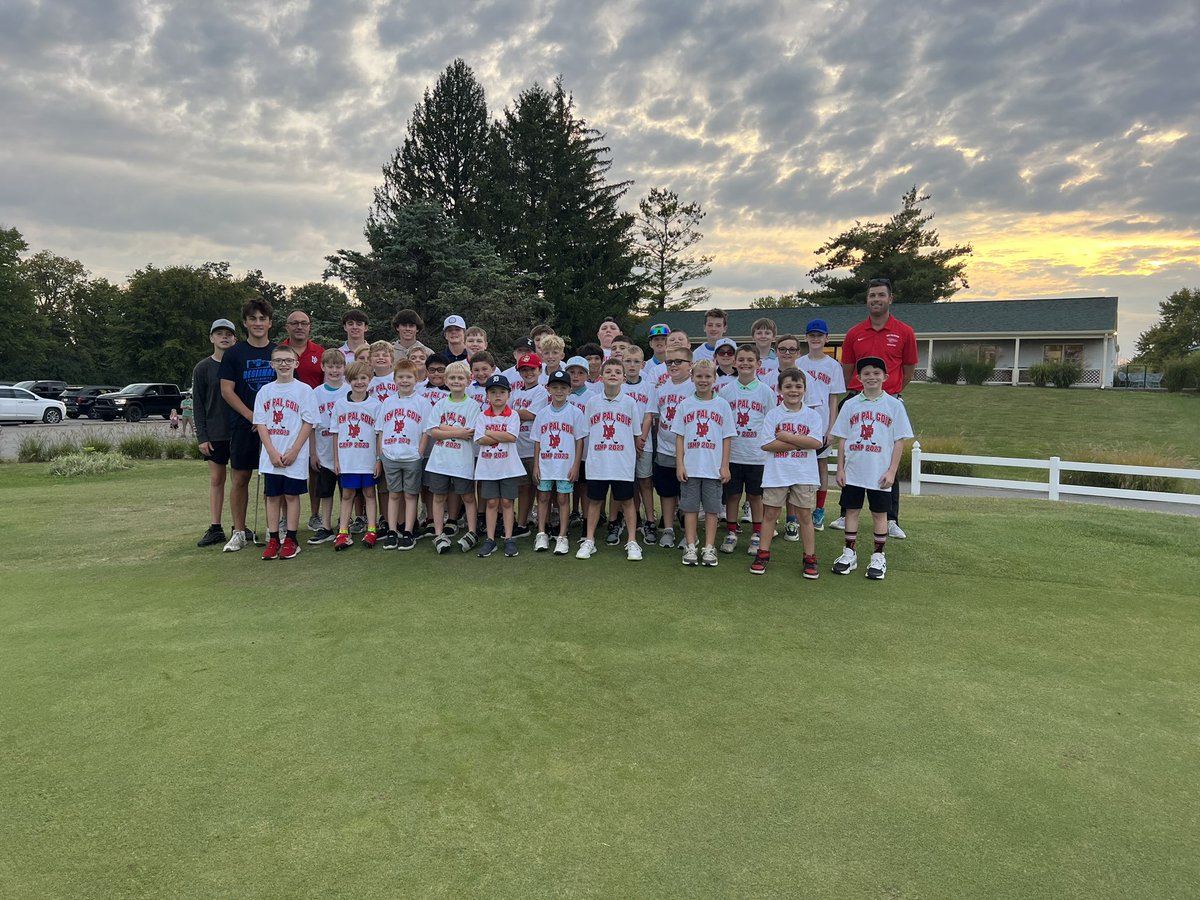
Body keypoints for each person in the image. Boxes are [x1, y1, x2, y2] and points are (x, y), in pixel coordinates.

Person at [832, 278, 918, 538]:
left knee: (887, 454)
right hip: (858, 398)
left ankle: (891, 518)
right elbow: (847, 369)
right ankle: (845, 511)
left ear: (890, 299)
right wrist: (857, 390)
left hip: (888, 399)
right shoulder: (854, 333)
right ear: (867, 300)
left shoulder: (904, 332)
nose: (876, 299)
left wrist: (892, 390)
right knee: (852, 450)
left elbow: (909, 369)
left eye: (881, 295)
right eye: (872, 296)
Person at [830, 356, 914, 580]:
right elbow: (843, 439)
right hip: (854, 470)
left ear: (885, 377)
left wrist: (892, 471)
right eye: (866, 373)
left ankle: (878, 556)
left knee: (879, 514)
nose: (871, 377)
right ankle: (849, 552)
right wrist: (840, 469)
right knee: (851, 511)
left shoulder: (894, 405)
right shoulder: (850, 404)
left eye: (876, 373)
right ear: (859, 377)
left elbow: (899, 441)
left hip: (879, 473)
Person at [751, 368, 824, 577]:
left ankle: (810, 557)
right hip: (777, 473)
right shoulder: (773, 415)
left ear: (805, 389)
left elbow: (816, 442)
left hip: (804, 474)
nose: (793, 391)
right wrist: (799, 443)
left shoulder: (812, 415)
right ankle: (763, 554)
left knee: (804, 516)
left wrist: (786, 437)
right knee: (771, 514)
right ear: (780, 390)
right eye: (788, 387)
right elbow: (767, 444)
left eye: (798, 386)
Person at [219, 297, 276, 552]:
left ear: (270, 322)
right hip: (244, 424)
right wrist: (252, 416)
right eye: (253, 318)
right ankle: (239, 531)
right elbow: (227, 391)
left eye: (262, 318)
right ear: (245, 322)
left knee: (274, 478)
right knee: (241, 478)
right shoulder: (234, 354)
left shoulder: (279, 353)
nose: (258, 323)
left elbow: (288, 390)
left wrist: (267, 420)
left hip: (275, 427)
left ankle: (275, 529)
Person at [252, 345, 318, 560]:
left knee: (291, 495)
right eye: (279, 360)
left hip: (294, 455)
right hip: (271, 455)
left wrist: (295, 450)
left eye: (288, 360)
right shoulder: (265, 391)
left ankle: (291, 539)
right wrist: (271, 452)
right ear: (272, 364)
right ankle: (273, 538)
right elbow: (260, 423)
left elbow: (309, 422)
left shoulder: (304, 390)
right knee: (272, 497)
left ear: (296, 364)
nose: (284, 364)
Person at [576, 358, 643, 561]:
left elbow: (635, 435)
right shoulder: (592, 403)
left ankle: (632, 541)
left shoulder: (631, 403)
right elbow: (584, 434)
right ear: (601, 377)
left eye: (617, 371)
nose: (613, 374)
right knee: (594, 501)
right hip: (598, 463)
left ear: (623, 377)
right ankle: (589, 540)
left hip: (622, 463)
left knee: (627, 502)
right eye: (609, 371)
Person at [672, 358, 734, 567]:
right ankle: (691, 545)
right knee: (689, 509)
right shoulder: (685, 404)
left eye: (708, 376)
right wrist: (680, 463)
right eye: (699, 376)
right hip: (691, 466)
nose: (703, 380)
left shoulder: (722, 405)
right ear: (692, 378)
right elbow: (679, 436)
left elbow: (727, 438)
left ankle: (709, 547)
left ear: (715, 378)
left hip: (713, 468)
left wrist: (725, 465)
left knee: (712, 510)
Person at [718, 344, 774, 557]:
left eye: (750, 360)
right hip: (733, 453)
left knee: (755, 496)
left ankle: (757, 534)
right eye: (741, 359)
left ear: (758, 364)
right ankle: (731, 532)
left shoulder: (766, 392)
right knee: (732, 495)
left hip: (756, 455)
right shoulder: (725, 391)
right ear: (734, 362)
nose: (745, 363)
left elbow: (771, 423)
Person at [424, 361, 480, 554]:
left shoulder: (473, 405)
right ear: (446, 381)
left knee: (468, 497)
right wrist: (455, 431)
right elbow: (433, 431)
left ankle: (472, 531)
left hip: (462, 461)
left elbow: (470, 432)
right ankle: (439, 534)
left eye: (460, 378)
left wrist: (444, 428)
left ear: (468, 380)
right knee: (439, 497)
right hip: (440, 461)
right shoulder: (440, 403)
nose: (456, 381)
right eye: (453, 378)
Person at [376, 358, 432, 551]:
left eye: (409, 377)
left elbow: (426, 430)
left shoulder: (423, 403)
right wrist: (381, 453)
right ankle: (392, 531)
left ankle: (408, 530)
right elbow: (380, 429)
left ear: (416, 379)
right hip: (391, 454)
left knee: (410, 495)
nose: (405, 380)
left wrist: (420, 452)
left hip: (412, 456)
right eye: (401, 377)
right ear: (394, 379)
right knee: (393, 494)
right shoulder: (387, 402)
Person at [794, 321, 845, 532]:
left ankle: (819, 510)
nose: (815, 339)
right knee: (798, 467)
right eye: (812, 335)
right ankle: (796, 512)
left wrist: (831, 428)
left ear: (826, 338)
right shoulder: (798, 363)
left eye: (819, 335)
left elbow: (833, 399)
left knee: (821, 466)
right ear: (806, 338)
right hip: (799, 423)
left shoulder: (833, 365)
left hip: (822, 423)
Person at [193, 318, 236, 547]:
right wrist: (202, 437)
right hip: (215, 432)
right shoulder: (203, 368)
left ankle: (239, 526)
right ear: (212, 338)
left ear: (235, 338)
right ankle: (216, 526)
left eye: (228, 334)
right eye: (219, 333)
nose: (224, 337)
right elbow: (197, 405)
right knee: (217, 479)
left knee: (240, 480)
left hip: (238, 431)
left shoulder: (238, 364)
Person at [330, 361, 382, 550]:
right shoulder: (340, 404)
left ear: (369, 380)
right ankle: (343, 532)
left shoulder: (376, 405)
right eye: (355, 379)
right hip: (347, 458)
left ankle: (371, 529)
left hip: (367, 458)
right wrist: (336, 460)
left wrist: (378, 460)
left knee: (369, 493)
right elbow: (335, 434)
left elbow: (379, 435)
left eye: (363, 378)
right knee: (347, 494)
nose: (359, 382)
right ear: (348, 380)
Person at [532, 370, 585, 555]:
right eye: (555, 387)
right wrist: (536, 466)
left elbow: (580, 441)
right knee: (543, 497)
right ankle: (541, 533)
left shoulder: (575, 413)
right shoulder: (542, 414)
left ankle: (562, 536)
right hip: (546, 464)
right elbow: (537, 441)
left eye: (563, 387)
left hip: (565, 465)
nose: (559, 391)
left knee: (562, 498)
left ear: (569, 390)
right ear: (548, 389)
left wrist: (576, 465)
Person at [473, 374, 525, 558]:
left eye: (502, 392)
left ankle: (509, 538)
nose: (497, 396)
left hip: (508, 466)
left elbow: (512, 437)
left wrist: (489, 432)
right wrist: (495, 434)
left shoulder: (513, 415)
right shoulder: (482, 415)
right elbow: (480, 440)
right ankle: (490, 539)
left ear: (508, 395)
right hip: (488, 467)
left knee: (506, 502)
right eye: (493, 392)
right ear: (487, 395)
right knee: (492, 502)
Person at [647, 344, 692, 548]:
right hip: (665, 448)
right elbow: (655, 417)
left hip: (690, 451)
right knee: (666, 491)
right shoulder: (661, 388)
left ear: (689, 365)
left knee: (687, 492)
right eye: (669, 362)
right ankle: (668, 528)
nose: (673, 365)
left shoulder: (695, 386)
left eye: (678, 362)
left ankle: (688, 531)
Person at [307, 349, 346, 545]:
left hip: (347, 451)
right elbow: (312, 427)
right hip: (324, 452)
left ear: (344, 368)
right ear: (322, 367)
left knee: (347, 491)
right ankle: (325, 525)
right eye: (330, 366)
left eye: (338, 366)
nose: (334, 370)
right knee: (325, 492)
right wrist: (313, 452)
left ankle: (346, 523)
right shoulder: (316, 393)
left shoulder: (349, 391)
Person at [510, 352, 549, 537]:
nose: (528, 373)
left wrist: (511, 412)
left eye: (532, 369)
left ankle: (545, 523)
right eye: (524, 370)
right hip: (518, 447)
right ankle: (523, 523)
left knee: (542, 488)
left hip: (535, 446)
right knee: (524, 487)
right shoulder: (516, 393)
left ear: (539, 370)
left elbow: (532, 414)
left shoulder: (541, 391)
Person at [278, 310, 325, 388]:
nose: (299, 327)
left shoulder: (321, 353)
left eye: (304, 323)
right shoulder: (277, 352)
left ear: (309, 327)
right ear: (287, 327)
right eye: (294, 323)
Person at [751, 317, 779, 384]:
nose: (763, 336)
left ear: (774, 337)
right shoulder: (746, 360)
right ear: (753, 337)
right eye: (759, 333)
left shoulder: (779, 360)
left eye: (767, 333)